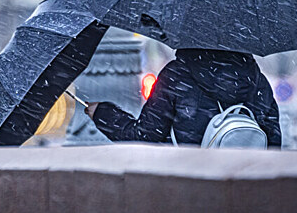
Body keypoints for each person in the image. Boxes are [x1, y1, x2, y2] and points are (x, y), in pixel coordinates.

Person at [84, 49, 282, 147]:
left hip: (190, 188)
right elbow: (273, 140)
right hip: (243, 191)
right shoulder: (256, 79)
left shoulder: (176, 75)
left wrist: (102, 113)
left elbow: (145, 136)